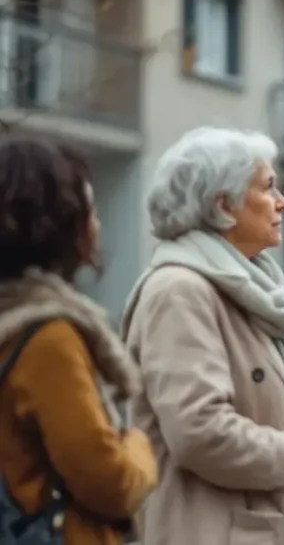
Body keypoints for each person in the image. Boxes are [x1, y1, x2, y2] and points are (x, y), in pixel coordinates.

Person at [120, 127, 284, 545]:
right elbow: (199, 431)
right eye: (268, 187)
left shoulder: (252, 293)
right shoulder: (179, 290)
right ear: (223, 204)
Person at [0, 135, 157, 545]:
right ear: (59, 223)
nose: (97, 222)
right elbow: (108, 481)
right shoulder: (48, 339)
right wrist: (140, 447)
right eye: (88, 207)